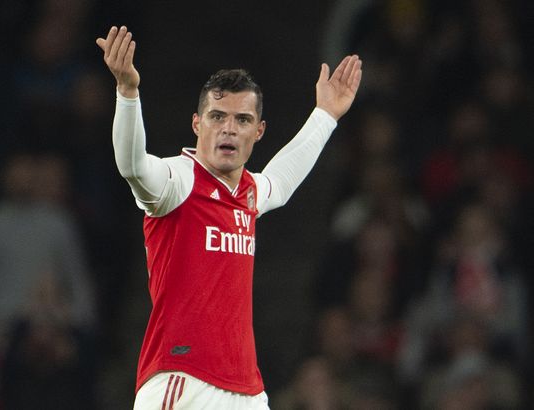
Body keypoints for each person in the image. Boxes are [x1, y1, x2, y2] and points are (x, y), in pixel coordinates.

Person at [96, 25, 362, 409]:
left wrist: (326, 115)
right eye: (217, 116)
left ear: (259, 131)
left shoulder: (249, 191)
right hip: (183, 380)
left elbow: (280, 182)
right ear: (197, 124)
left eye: (242, 120)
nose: (229, 129)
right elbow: (133, 167)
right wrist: (127, 91)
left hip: (245, 390)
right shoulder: (178, 181)